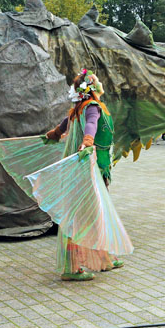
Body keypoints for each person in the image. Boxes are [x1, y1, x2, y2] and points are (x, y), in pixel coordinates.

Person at [39, 69, 130, 280]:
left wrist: (53, 135)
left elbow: (64, 125)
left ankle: (102, 259)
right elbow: (91, 124)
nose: (100, 84)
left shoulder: (78, 108)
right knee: (82, 214)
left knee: (96, 212)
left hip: (96, 166)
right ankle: (71, 268)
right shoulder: (91, 107)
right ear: (90, 88)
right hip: (88, 167)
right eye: (96, 82)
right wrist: (88, 142)